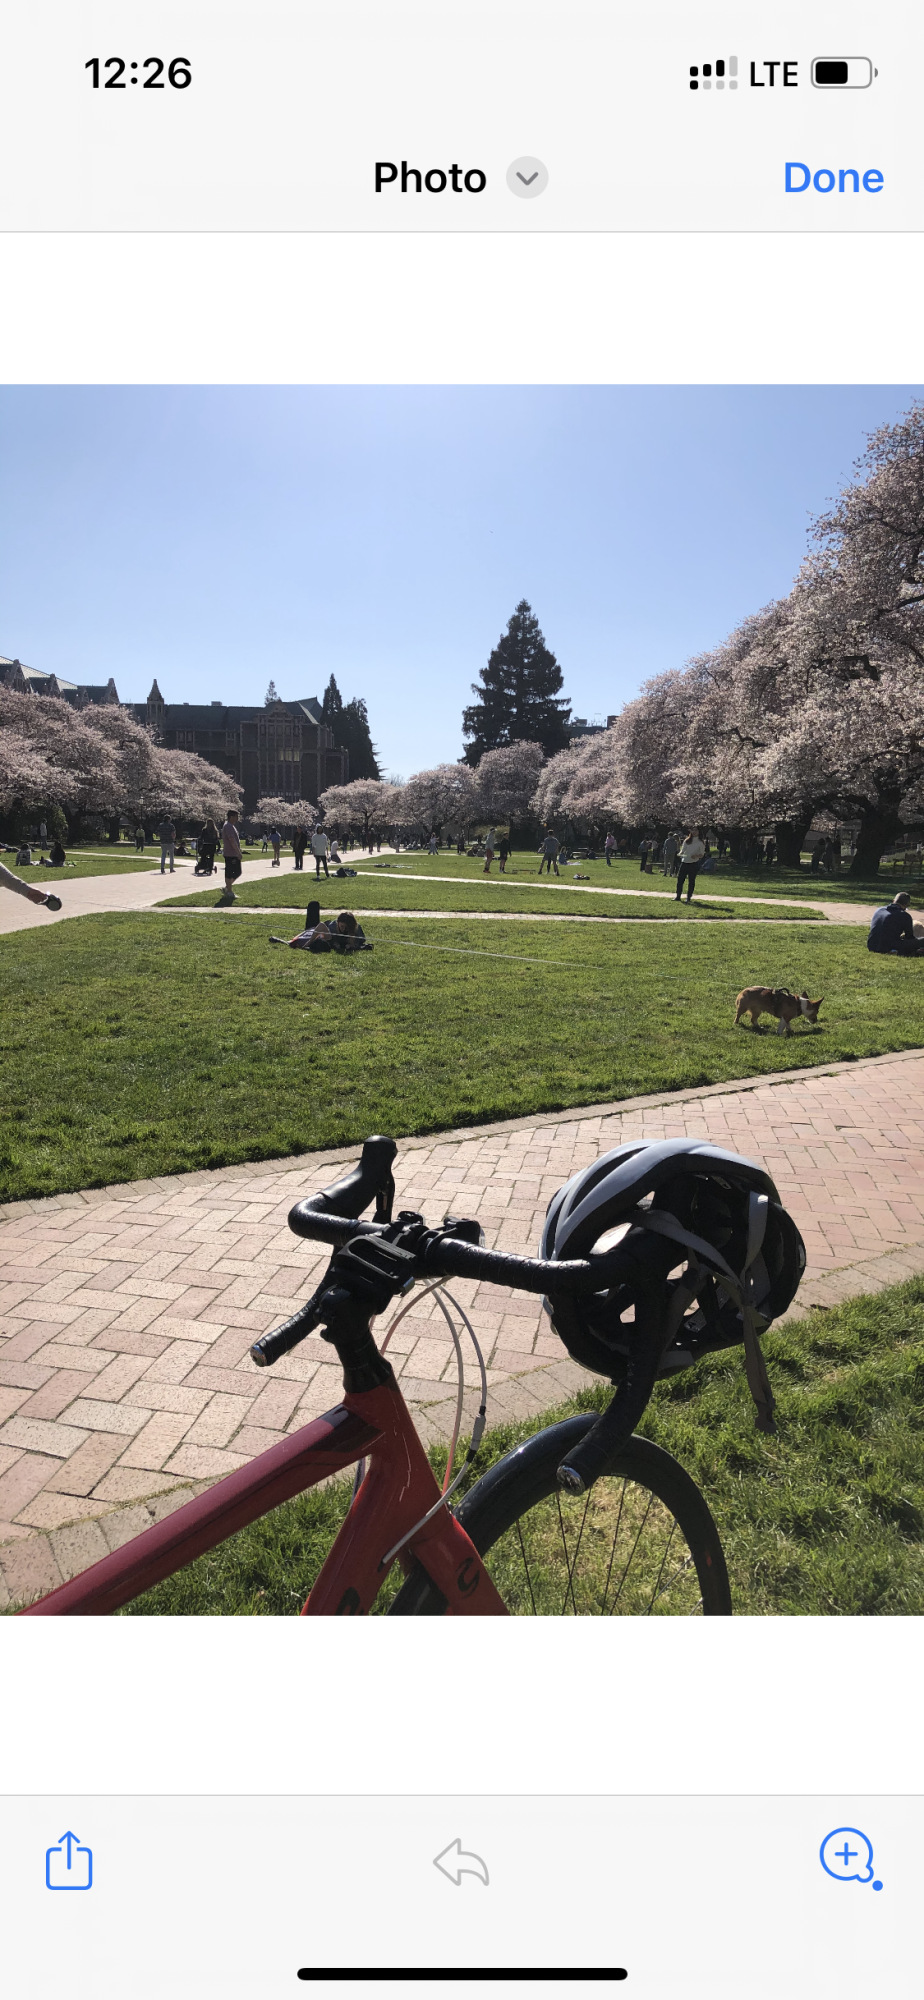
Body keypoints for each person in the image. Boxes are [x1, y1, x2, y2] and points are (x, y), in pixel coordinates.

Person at [270, 905, 371, 952]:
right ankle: (281, 941)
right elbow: (326, 937)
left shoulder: (356, 928)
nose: (344, 929)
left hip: (323, 933)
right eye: (342, 927)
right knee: (300, 939)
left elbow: (361, 941)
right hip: (318, 932)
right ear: (338, 923)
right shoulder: (332, 927)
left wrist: (353, 944)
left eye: (346, 928)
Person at [675, 828, 706, 904]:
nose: (694, 832)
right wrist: (680, 853)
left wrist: (696, 856)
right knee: (680, 880)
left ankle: (688, 897)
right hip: (684, 862)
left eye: (696, 830)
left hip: (693, 864)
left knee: (691, 881)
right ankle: (678, 896)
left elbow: (702, 854)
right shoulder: (687, 840)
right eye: (693, 830)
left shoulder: (700, 842)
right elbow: (683, 850)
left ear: (699, 832)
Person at [218, 808, 243, 903]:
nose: (237, 819)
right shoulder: (228, 826)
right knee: (230, 872)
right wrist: (238, 852)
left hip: (232, 853)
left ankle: (227, 888)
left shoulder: (231, 826)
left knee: (237, 872)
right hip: (231, 853)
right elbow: (232, 840)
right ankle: (229, 890)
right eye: (236, 817)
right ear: (231, 817)